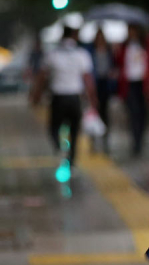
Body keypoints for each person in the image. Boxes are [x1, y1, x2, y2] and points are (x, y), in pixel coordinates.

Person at [31, 26, 99, 167]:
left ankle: (59, 147)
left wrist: (36, 96)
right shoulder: (82, 54)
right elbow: (87, 79)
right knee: (74, 131)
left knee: (53, 127)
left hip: (58, 98)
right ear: (75, 36)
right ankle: (72, 159)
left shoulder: (52, 54)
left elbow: (41, 77)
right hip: (75, 98)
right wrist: (93, 98)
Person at [119, 24, 149, 157]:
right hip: (130, 83)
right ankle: (135, 141)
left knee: (142, 114)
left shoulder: (145, 45)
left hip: (142, 83)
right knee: (133, 113)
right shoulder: (124, 47)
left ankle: (140, 139)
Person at [89, 29, 115, 154]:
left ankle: (105, 142)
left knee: (105, 115)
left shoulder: (109, 51)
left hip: (105, 84)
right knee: (94, 114)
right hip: (95, 84)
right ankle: (93, 143)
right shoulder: (91, 51)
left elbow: (113, 66)